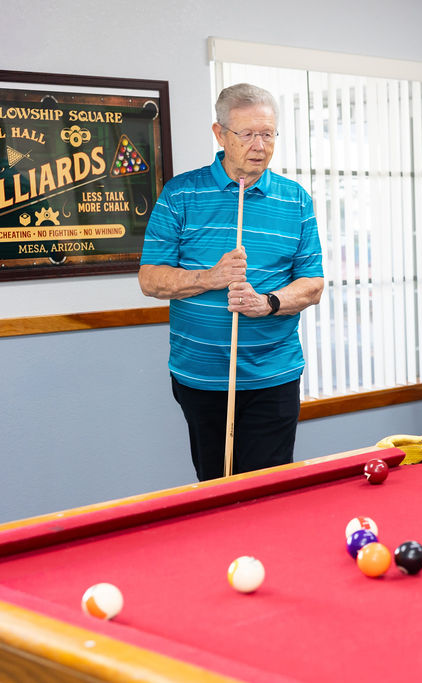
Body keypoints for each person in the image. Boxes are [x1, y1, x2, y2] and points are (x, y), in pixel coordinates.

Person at [139, 83, 324, 481]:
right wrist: (211, 277)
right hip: (201, 376)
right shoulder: (180, 195)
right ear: (220, 134)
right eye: (247, 134)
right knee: (216, 486)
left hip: (273, 374)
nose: (260, 145)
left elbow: (312, 283)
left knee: (267, 489)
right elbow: (150, 279)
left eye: (268, 133)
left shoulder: (296, 200)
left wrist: (269, 302)